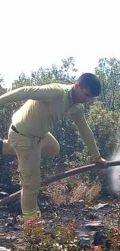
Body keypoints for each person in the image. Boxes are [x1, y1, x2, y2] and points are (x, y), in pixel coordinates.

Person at [0, 73, 107, 220]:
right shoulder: (56, 92)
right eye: (86, 95)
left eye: (90, 98)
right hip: (23, 135)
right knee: (31, 186)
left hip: (40, 136)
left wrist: (96, 156)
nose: (87, 100)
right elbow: (23, 91)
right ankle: (31, 224)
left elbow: (85, 132)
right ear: (77, 86)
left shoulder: (77, 107)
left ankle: (3, 147)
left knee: (53, 149)